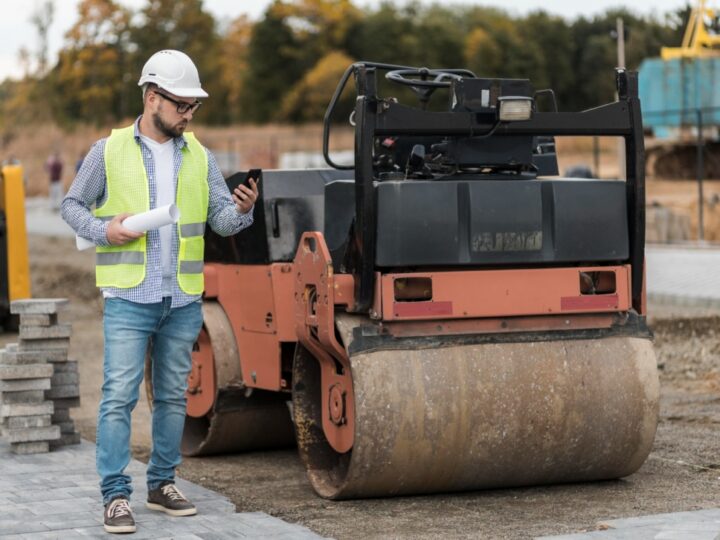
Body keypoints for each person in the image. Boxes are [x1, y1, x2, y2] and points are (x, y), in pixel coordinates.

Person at [61, 50, 259, 535]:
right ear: (153, 98)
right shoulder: (107, 151)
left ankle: (162, 483)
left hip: (182, 299)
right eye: (182, 105)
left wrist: (244, 209)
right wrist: (106, 231)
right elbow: (71, 206)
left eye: (194, 107)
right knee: (117, 398)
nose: (190, 115)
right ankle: (115, 496)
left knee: (173, 397)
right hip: (129, 296)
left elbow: (221, 221)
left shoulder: (201, 157)